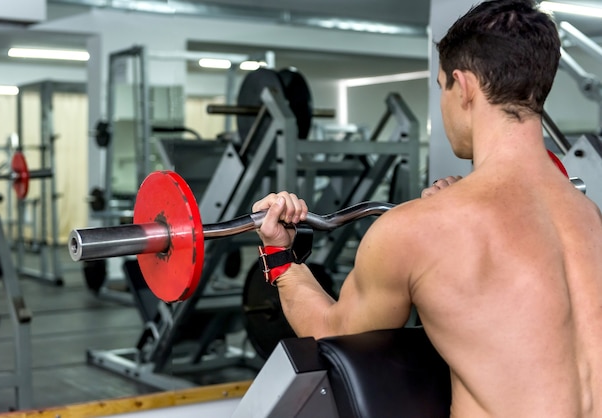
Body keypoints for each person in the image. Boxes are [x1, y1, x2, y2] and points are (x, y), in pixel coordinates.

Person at [252, 0, 602, 416]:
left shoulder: (416, 230)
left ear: (464, 85)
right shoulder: (586, 214)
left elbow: (330, 332)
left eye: (442, 87)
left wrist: (280, 256)